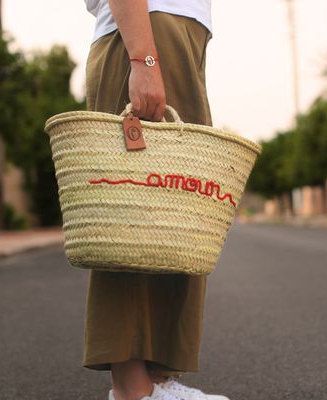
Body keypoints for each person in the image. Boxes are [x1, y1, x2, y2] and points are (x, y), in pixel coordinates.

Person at [83, 1, 229, 399]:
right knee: (131, 220)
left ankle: (157, 384)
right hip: (146, 31)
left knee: (173, 220)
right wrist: (144, 59)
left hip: (169, 35)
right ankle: (132, 390)